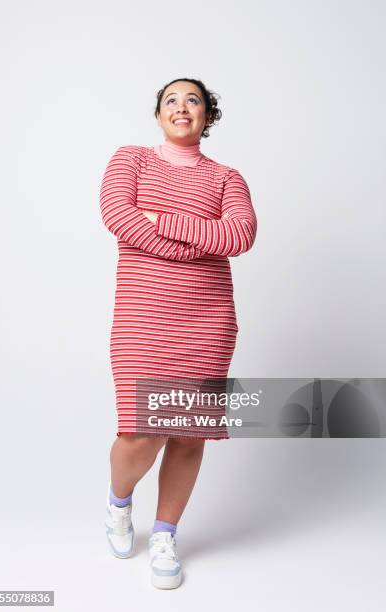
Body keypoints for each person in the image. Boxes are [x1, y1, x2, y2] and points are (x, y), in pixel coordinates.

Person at [99, 77, 258, 589]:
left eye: (194, 100)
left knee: (189, 433)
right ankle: (118, 503)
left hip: (207, 320)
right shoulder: (131, 160)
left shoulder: (228, 178)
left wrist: (160, 221)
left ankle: (165, 533)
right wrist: (198, 241)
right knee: (140, 432)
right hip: (144, 318)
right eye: (172, 100)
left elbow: (240, 235)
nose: (182, 107)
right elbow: (117, 215)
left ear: (208, 116)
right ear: (158, 114)